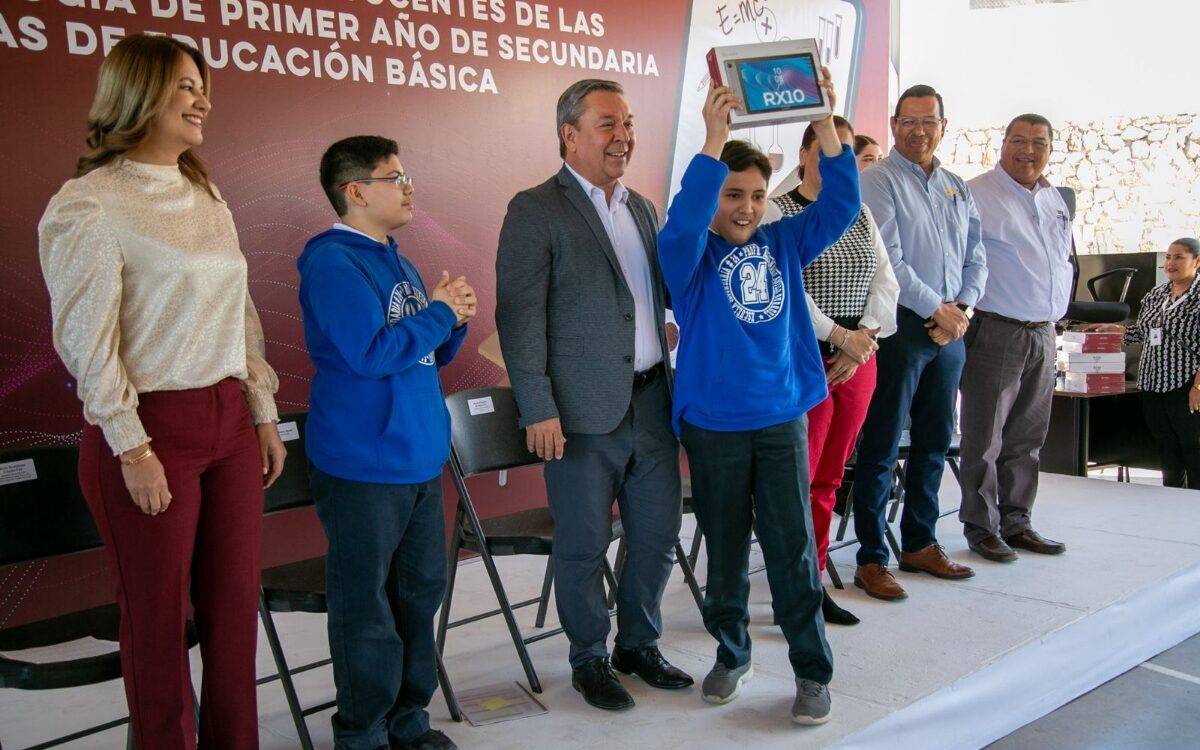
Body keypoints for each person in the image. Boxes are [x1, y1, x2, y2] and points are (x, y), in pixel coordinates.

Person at [38, 34, 285, 749]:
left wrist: (262, 413)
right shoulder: (89, 203)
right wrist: (132, 445)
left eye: (202, 86)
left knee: (234, 616)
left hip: (229, 420)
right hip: (149, 431)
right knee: (156, 624)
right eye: (185, 85)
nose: (202, 99)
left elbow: (239, 314)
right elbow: (86, 341)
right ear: (139, 93)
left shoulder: (206, 194)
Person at [659, 72, 859, 724]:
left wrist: (825, 121)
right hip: (714, 426)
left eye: (754, 195)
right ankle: (732, 653)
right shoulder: (688, 262)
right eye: (731, 195)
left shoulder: (784, 240)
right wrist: (713, 140)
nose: (745, 208)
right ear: (712, 198)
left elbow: (841, 204)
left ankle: (811, 670)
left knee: (791, 549)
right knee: (723, 551)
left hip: (780, 421)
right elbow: (681, 225)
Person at [495, 79, 691, 712]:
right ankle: (589, 658)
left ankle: (638, 644)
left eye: (628, 123)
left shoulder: (644, 208)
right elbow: (519, 319)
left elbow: (655, 294)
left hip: (652, 401)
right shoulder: (535, 209)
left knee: (658, 534)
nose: (623, 136)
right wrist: (537, 407)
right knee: (582, 544)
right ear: (569, 135)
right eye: (608, 124)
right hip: (578, 412)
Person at [297, 136, 475, 750]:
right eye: (395, 177)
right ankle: (363, 733)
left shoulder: (398, 258)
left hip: (419, 457)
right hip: (364, 465)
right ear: (355, 191)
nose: (408, 187)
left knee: (419, 595)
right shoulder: (332, 262)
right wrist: (438, 314)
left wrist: (453, 320)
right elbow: (370, 355)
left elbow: (422, 353)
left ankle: (408, 721)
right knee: (366, 607)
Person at [852, 84, 987, 602]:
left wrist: (961, 309)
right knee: (883, 443)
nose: (919, 130)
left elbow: (977, 256)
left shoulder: (956, 186)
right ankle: (871, 557)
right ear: (894, 125)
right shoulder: (878, 180)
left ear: (943, 127)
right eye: (908, 121)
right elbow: (889, 259)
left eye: (929, 121)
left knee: (934, 440)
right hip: (903, 327)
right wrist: (938, 310)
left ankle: (919, 544)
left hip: (951, 328)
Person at [769, 117, 899, 626]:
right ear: (804, 153)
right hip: (806, 356)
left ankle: (815, 579)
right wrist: (838, 337)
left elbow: (885, 281)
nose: (833, 160)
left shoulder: (860, 212)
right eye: (824, 150)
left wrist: (862, 337)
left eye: (843, 151)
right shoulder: (777, 211)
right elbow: (787, 287)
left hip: (858, 360)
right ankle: (793, 588)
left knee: (828, 479)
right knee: (797, 482)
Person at [960, 114, 1072, 562]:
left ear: (1050, 149)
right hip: (997, 330)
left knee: (1027, 437)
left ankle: (1017, 522)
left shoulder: (1053, 198)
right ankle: (981, 527)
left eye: (1039, 143)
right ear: (1002, 144)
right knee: (984, 438)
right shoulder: (977, 193)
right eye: (1019, 141)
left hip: (1044, 333)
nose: (1029, 151)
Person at [1085, 238, 1200, 489]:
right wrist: (1117, 331)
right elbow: (1144, 332)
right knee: (1167, 448)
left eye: (1178, 257)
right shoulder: (1156, 294)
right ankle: (1173, 500)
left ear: (1197, 261)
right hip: (1152, 382)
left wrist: (1198, 387)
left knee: (1193, 447)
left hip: (1186, 384)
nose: (1170, 263)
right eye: (1168, 257)